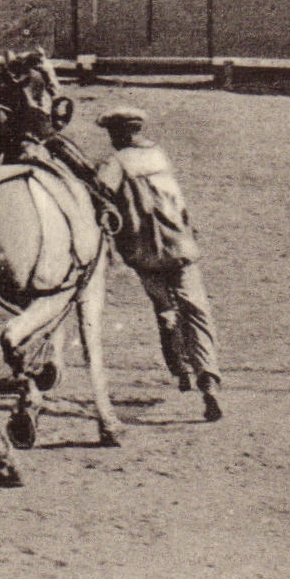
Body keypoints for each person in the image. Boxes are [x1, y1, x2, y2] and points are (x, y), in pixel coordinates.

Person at [95, 105, 223, 422]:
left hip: (144, 254)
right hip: (180, 247)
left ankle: (180, 368)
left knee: (165, 309)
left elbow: (100, 196)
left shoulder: (116, 163)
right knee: (196, 310)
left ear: (119, 134)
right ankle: (208, 379)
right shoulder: (159, 156)